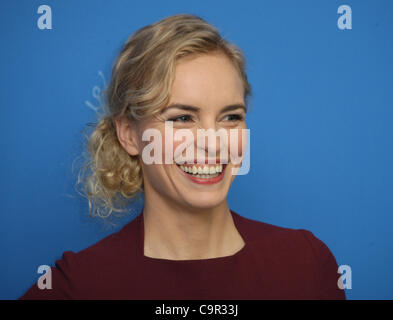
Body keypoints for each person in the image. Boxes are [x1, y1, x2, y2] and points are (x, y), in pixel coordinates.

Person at [20, 13, 345, 300]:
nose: (213, 143)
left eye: (231, 117)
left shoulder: (306, 264)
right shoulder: (80, 286)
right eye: (182, 118)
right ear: (129, 134)